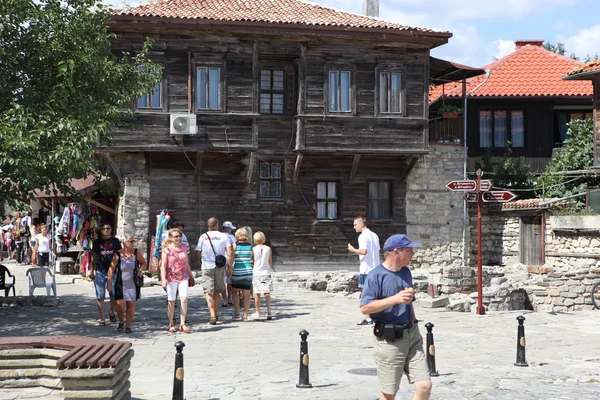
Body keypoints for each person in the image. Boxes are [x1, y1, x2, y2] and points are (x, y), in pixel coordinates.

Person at [360, 234, 431, 400]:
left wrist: (416, 329)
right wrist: (394, 299)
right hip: (390, 341)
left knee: (424, 386)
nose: (413, 254)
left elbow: (409, 303)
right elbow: (365, 308)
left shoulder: (406, 272)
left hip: (412, 336)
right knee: (389, 393)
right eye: (409, 250)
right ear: (397, 252)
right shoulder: (375, 276)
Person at [195, 217, 233, 325]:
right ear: (217, 225)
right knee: (217, 291)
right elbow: (230, 252)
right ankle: (215, 313)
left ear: (208, 226)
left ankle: (212, 314)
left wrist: (198, 262)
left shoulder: (203, 236)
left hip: (207, 266)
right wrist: (229, 267)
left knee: (208, 291)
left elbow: (198, 252)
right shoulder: (224, 236)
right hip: (220, 266)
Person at [108, 234, 147, 333]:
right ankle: (121, 321)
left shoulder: (136, 252)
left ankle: (128, 325)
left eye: (133, 241)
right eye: (131, 241)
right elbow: (111, 269)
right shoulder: (118, 254)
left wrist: (140, 270)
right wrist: (109, 282)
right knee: (119, 304)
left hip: (132, 283)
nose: (133, 243)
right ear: (124, 243)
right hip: (121, 283)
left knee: (131, 304)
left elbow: (144, 263)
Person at [348, 216, 381, 326]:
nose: (354, 227)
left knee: (365, 294)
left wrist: (353, 250)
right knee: (376, 294)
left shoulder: (363, 236)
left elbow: (364, 251)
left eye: (355, 225)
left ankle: (368, 319)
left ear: (361, 224)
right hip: (376, 268)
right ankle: (377, 316)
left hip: (366, 270)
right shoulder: (375, 235)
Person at [160, 228, 194, 333]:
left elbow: (186, 263)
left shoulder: (184, 247)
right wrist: (163, 278)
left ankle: (182, 323)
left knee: (184, 298)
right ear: (171, 238)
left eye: (179, 236)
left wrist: (191, 276)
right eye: (176, 236)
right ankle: (171, 323)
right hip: (171, 276)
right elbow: (163, 265)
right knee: (171, 300)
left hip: (183, 276)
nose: (178, 238)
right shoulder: (167, 250)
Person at [91, 224, 121, 326]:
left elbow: (118, 255)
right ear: (101, 230)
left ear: (111, 229)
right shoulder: (97, 242)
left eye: (108, 228)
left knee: (113, 295)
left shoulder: (115, 241)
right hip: (100, 270)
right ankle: (102, 319)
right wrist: (91, 271)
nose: (106, 230)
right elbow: (94, 257)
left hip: (113, 271)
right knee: (100, 296)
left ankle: (111, 311)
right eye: (104, 228)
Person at [231, 226, 254, 321]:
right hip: (248, 270)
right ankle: (245, 314)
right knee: (247, 293)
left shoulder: (235, 245)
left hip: (238, 269)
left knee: (234, 291)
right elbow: (252, 258)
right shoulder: (249, 246)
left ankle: (237, 311)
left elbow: (231, 257)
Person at [251, 231, 274, 320]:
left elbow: (252, 261)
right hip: (266, 272)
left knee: (257, 293)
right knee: (267, 293)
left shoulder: (253, 249)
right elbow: (270, 261)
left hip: (257, 272)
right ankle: (269, 312)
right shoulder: (268, 249)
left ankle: (257, 312)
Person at [221, 221, 237, 307]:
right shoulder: (231, 237)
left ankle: (225, 300)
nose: (231, 230)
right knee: (230, 280)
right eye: (230, 228)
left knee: (223, 281)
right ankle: (230, 298)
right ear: (228, 228)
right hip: (229, 259)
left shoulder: (219, 236)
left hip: (220, 260)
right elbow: (234, 247)